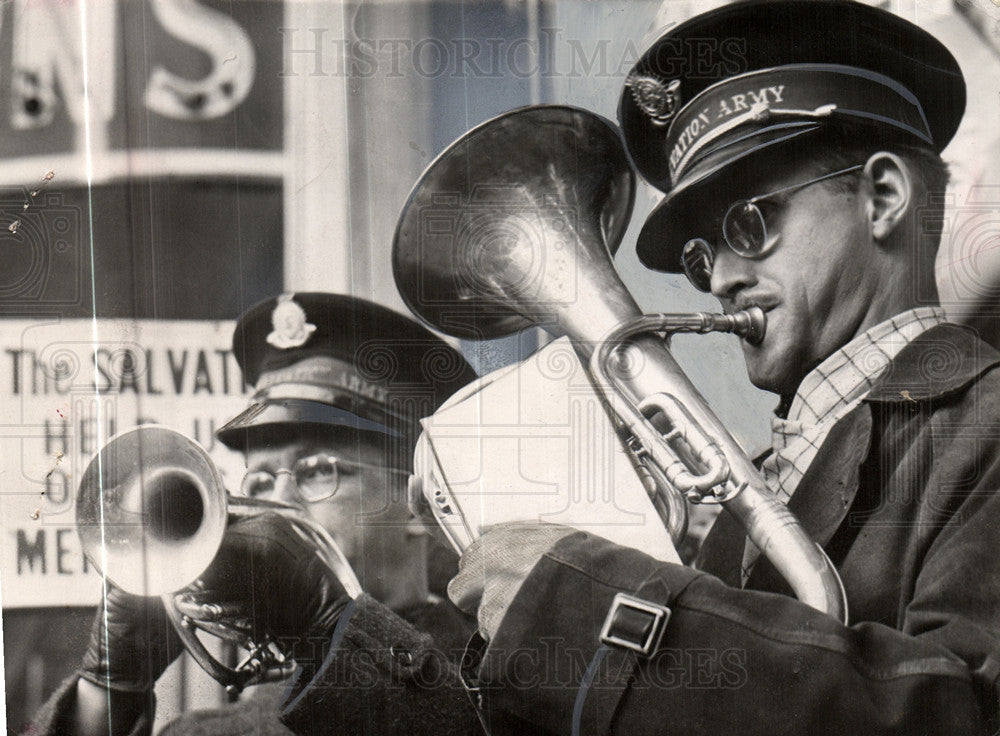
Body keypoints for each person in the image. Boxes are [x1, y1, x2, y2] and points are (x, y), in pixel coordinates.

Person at [441, 1, 1000, 734]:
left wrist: (581, 604)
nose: (722, 280)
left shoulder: (985, 424)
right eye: (703, 258)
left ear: (884, 196)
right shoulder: (759, 485)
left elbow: (961, 713)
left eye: (749, 225)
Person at [25, 293, 482, 736]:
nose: (279, 502)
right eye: (260, 480)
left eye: (318, 471)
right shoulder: (201, 733)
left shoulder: (498, 681)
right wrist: (109, 686)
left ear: (419, 504)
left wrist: (333, 631)